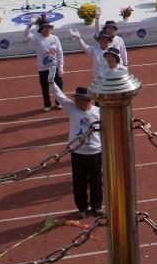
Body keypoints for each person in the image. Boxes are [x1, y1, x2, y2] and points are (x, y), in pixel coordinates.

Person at [52, 84, 102, 218]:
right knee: (79, 182)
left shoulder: (98, 112)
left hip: (95, 152)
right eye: (76, 99)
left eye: (80, 100)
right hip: (78, 153)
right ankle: (82, 208)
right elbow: (61, 97)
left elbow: (104, 131)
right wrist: (52, 84)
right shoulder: (72, 109)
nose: (77, 102)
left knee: (95, 181)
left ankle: (97, 206)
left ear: (87, 100)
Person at [26, 16, 64, 111]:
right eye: (45, 27)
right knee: (45, 88)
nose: (47, 29)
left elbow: (60, 52)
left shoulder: (55, 38)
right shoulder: (36, 38)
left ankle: (58, 102)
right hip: (43, 69)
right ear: (41, 29)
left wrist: (61, 67)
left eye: (48, 27)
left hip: (55, 67)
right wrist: (30, 24)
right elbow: (26, 34)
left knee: (58, 86)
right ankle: (47, 104)